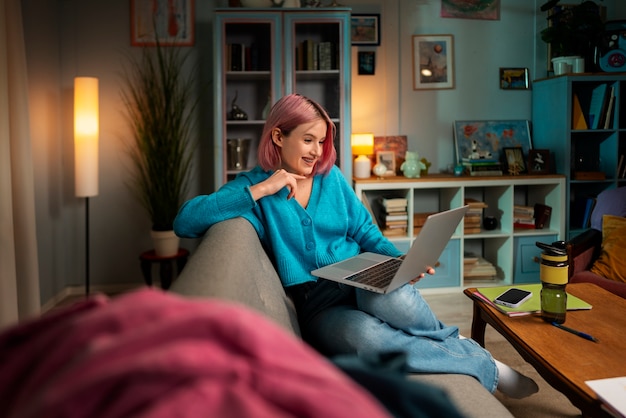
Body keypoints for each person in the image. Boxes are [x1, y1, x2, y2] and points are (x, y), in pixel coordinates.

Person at [174, 94, 538, 398]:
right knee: (367, 337)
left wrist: (401, 261)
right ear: (278, 137)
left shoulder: (330, 179)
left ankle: (442, 339)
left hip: (362, 273)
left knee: (394, 298)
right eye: (307, 139)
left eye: (321, 141)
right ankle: (483, 362)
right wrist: (261, 189)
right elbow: (185, 221)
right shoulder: (253, 190)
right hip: (317, 305)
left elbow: (366, 232)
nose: (317, 151)